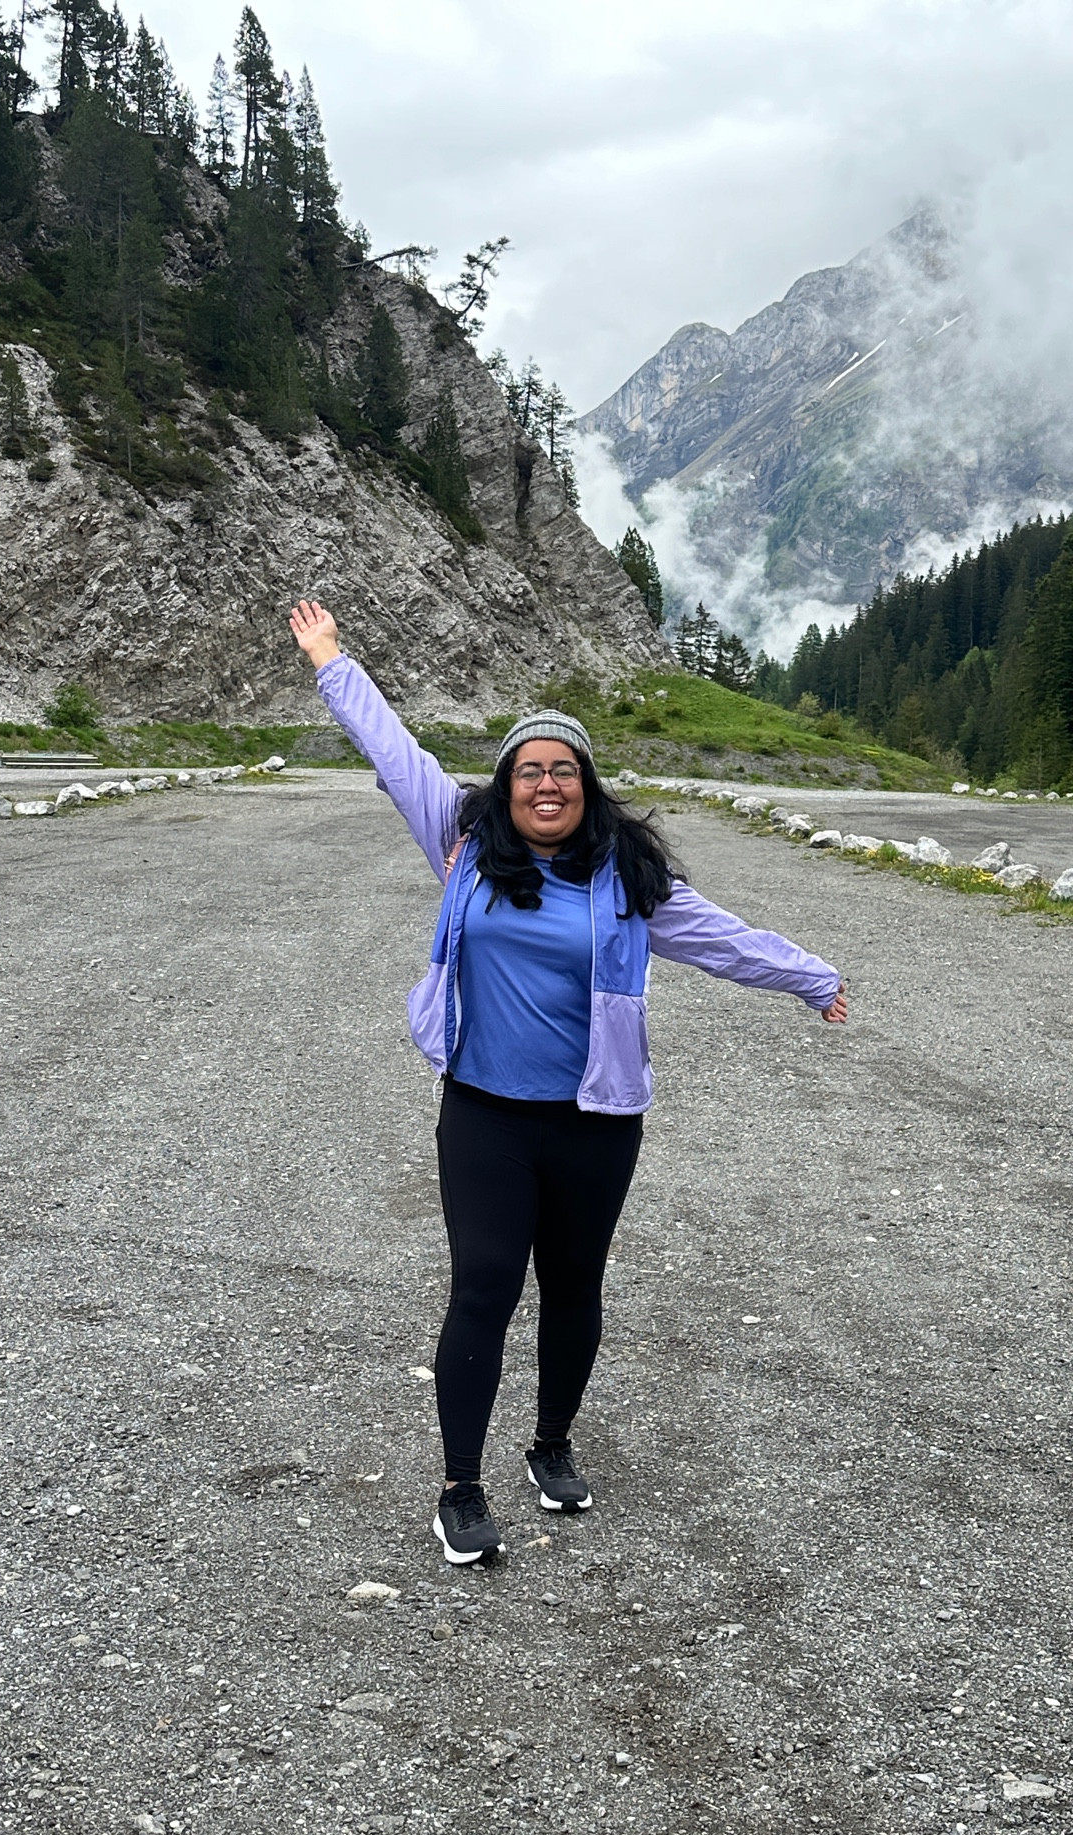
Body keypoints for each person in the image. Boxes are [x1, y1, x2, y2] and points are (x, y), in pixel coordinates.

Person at [289, 600, 848, 1566]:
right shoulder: (462, 846)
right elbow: (397, 754)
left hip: (596, 1122)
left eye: (565, 770)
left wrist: (813, 979)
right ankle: (461, 1487)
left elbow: (725, 940)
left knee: (574, 1288)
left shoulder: (628, 881)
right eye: (528, 770)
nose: (546, 784)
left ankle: (552, 1446)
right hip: (486, 1115)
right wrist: (334, 663)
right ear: (505, 788)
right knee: (487, 1284)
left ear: (588, 787)